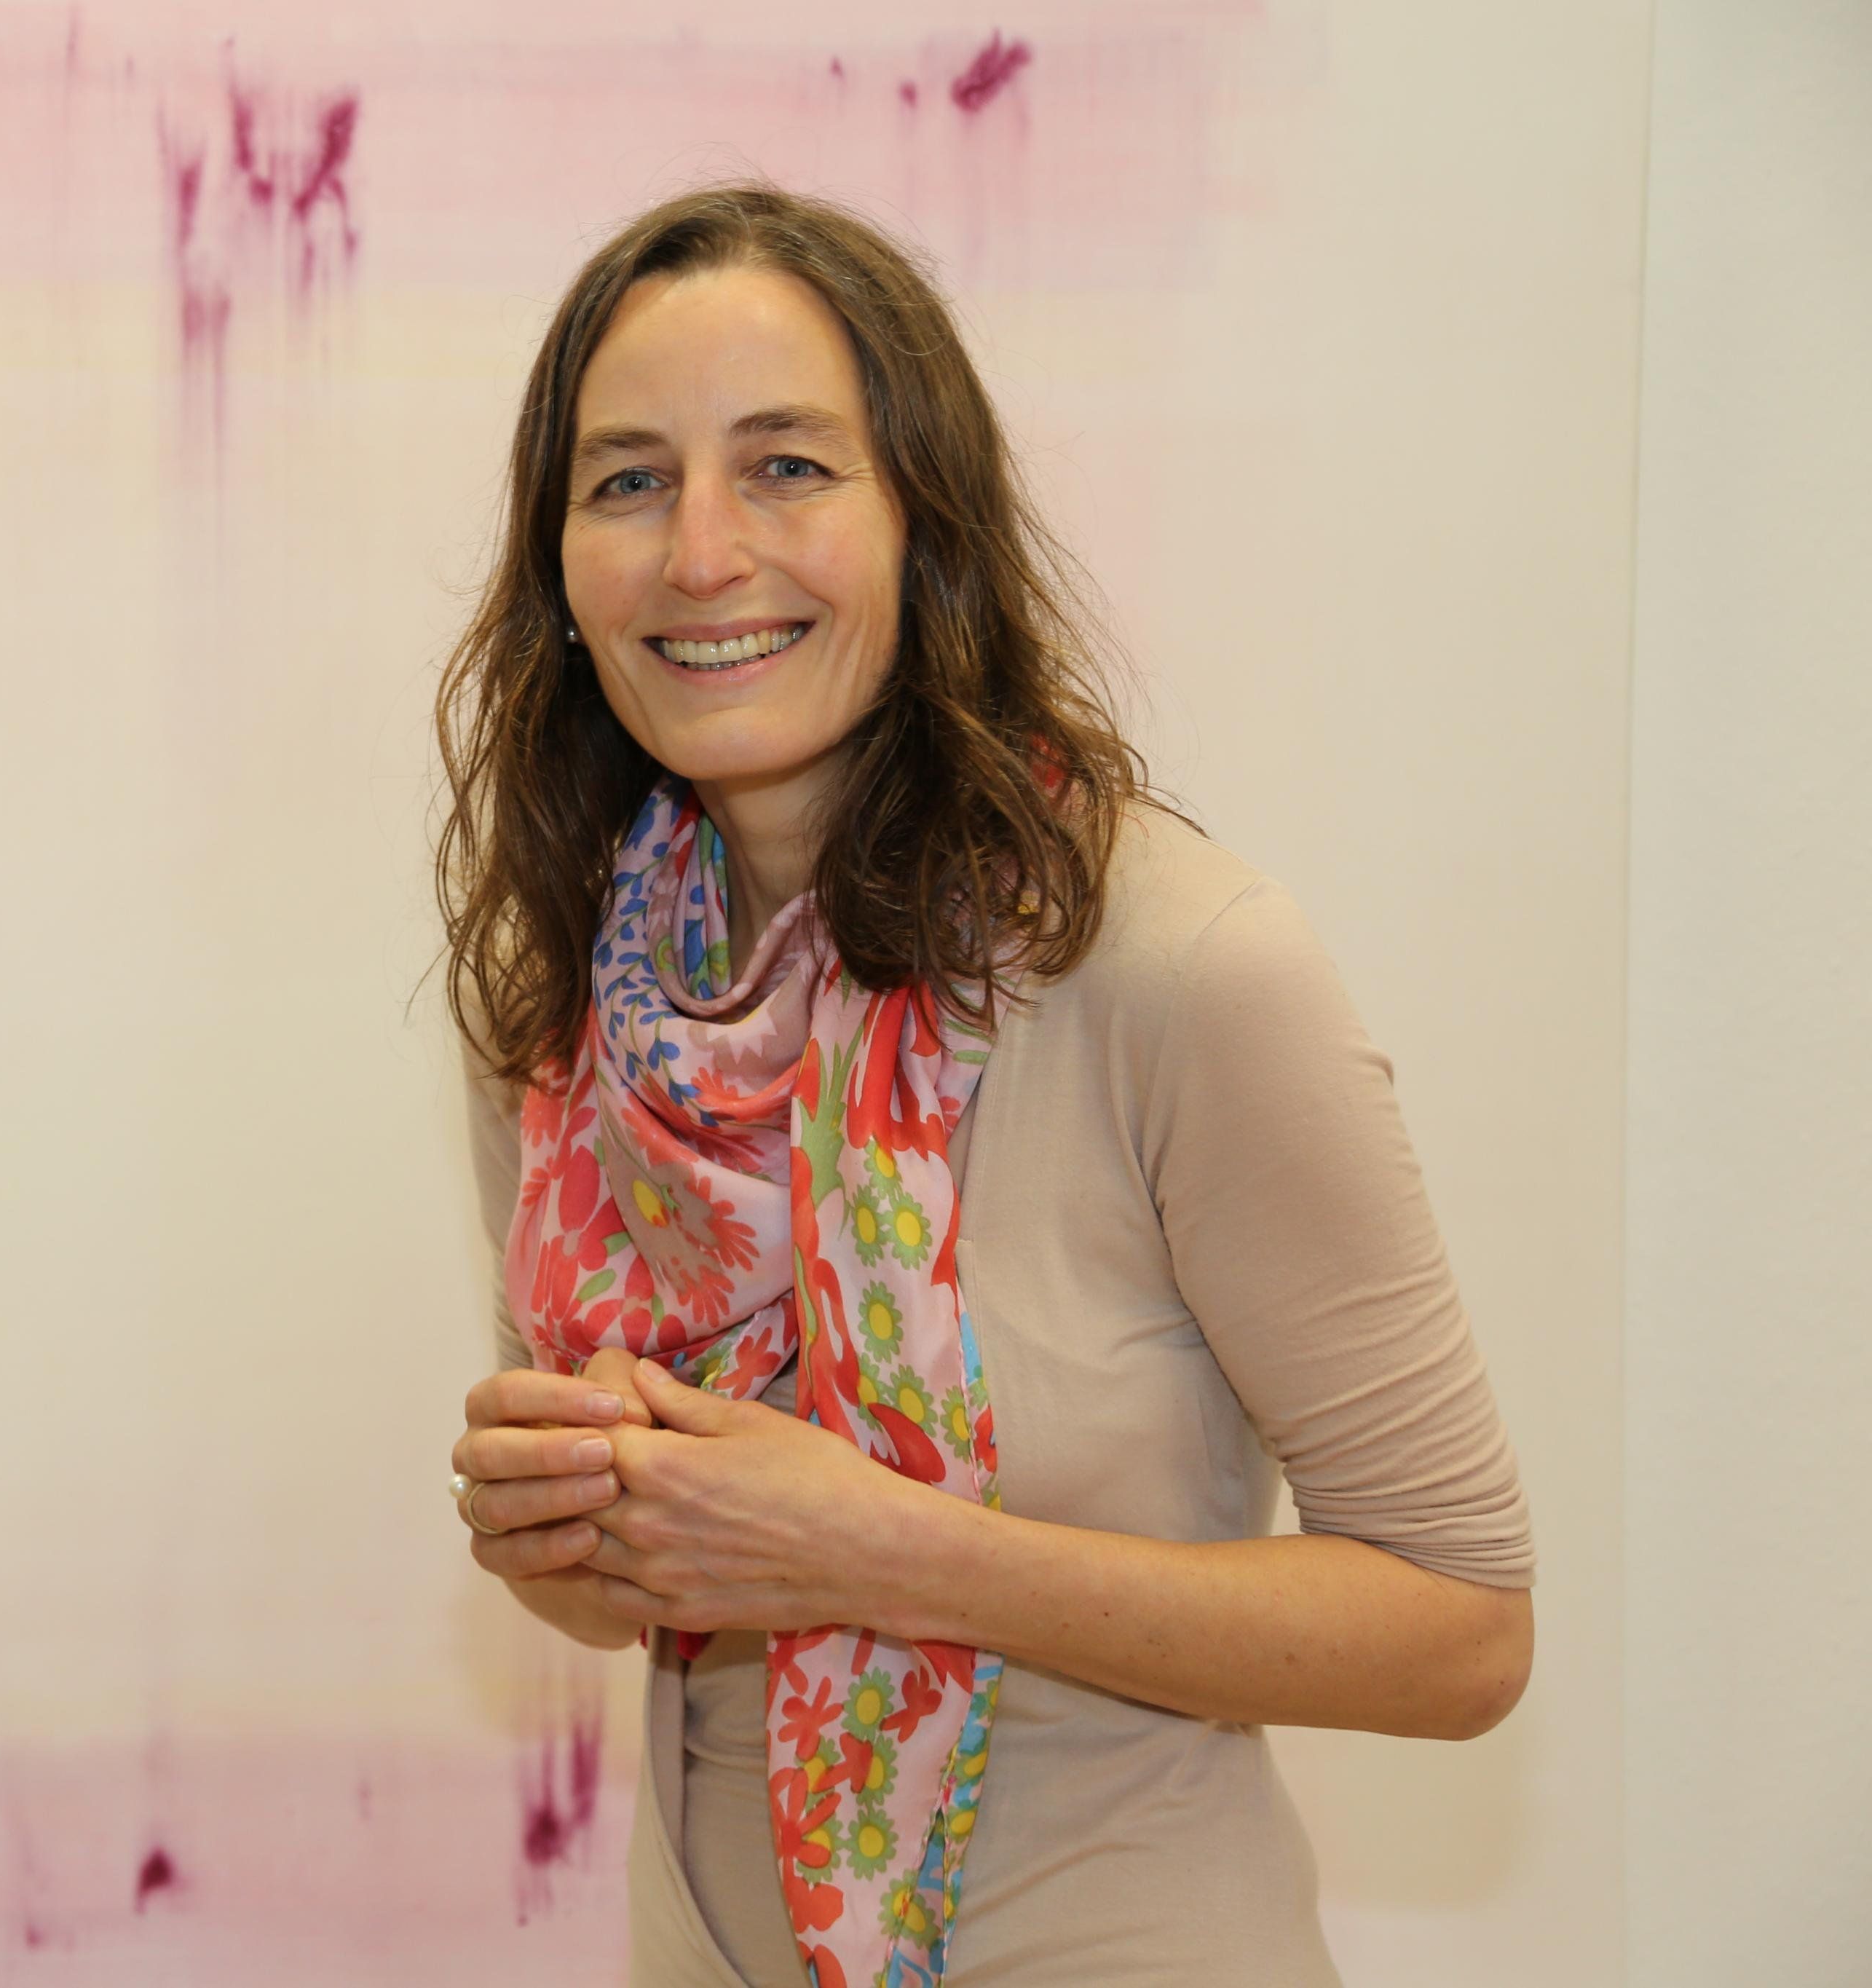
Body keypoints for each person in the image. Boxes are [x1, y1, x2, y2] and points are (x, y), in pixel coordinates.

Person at [432, 184, 1534, 1988]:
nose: (699, 551)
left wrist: (887, 1552)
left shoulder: (1181, 968)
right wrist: (555, 1534)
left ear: (924, 523)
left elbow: (1460, 1634)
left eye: (785, 466)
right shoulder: (567, 1004)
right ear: (557, 568)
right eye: (626, 480)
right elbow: (642, 1600)